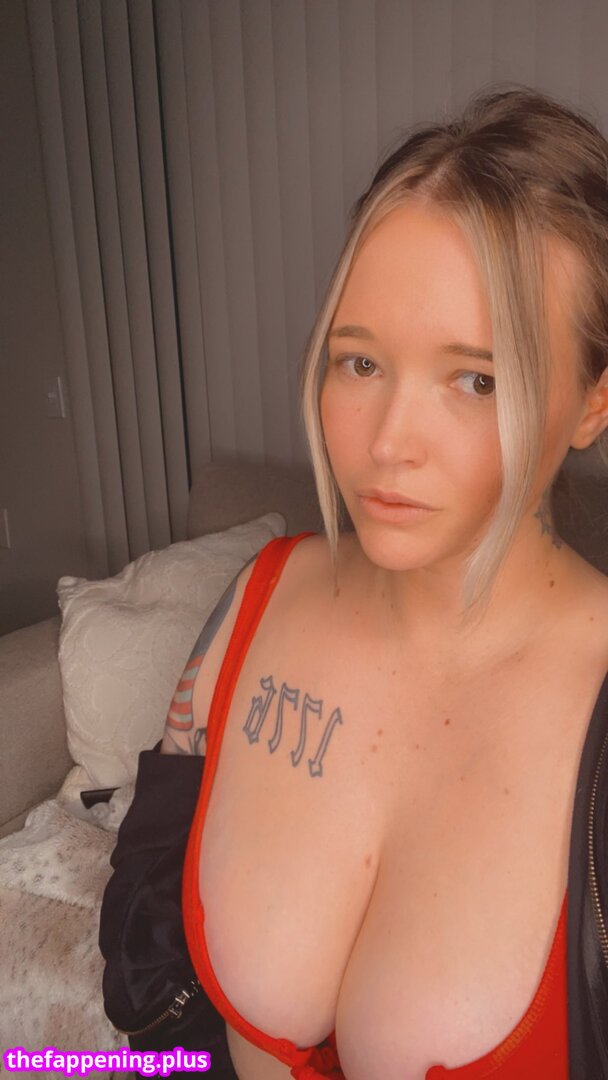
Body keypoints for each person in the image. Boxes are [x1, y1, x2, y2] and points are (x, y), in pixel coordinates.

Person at [104, 84, 608, 1079]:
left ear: (593, 404)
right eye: (359, 362)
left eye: (476, 379)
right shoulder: (260, 596)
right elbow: (146, 931)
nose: (385, 443)